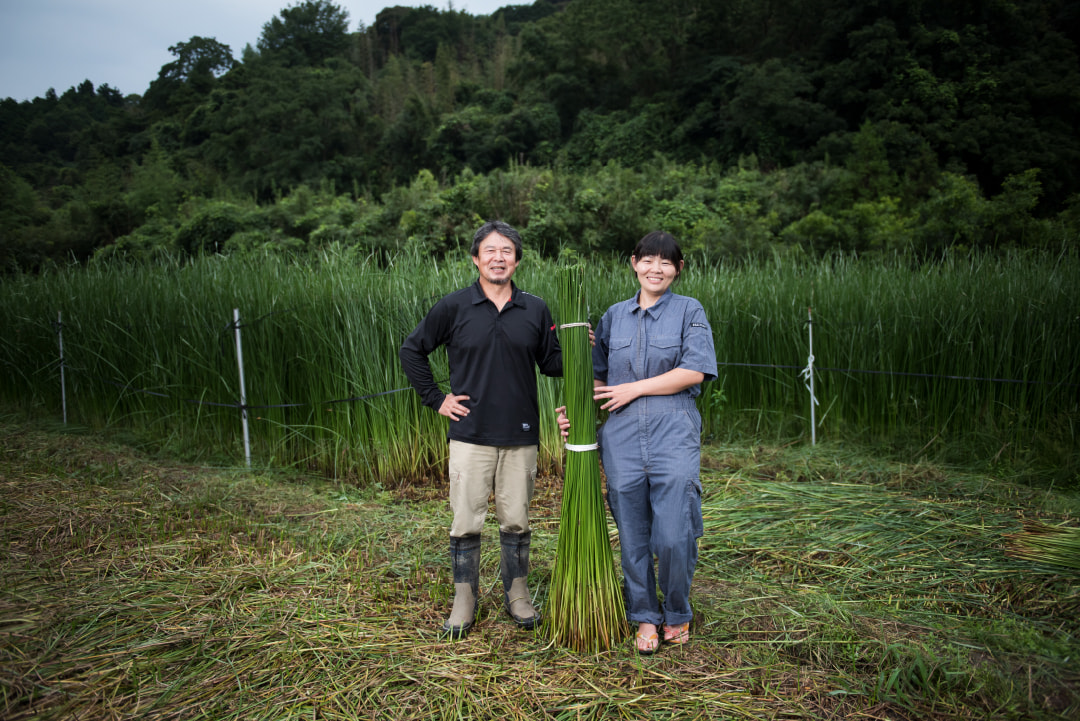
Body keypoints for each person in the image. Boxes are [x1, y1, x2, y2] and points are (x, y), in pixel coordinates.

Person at [399, 220, 562, 639]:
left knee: (516, 521)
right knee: (466, 521)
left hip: (521, 434)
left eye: (506, 251)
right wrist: (437, 399)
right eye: (490, 250)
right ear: (475, 259)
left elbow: (552, 363)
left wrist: (583, 344)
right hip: (470, 435)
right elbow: (412, 350)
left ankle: (518, 594)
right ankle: (464, 600)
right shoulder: (453, 307)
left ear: (517, 260)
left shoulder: (536, 308)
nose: (498, 257)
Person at [558, 231, 717, 654]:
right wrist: (572, 411)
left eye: (666, 263)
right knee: (632, 532)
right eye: (648, 260)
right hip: (622, 435)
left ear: (678, 270)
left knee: (674, 532)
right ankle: (645, 615)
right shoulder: (614, 317)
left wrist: (635, 389)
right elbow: (596, 380)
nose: (656, 269)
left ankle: (678, 611)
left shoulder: (689, 311)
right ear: (634, 263)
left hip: (673, 430)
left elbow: (695, 371)